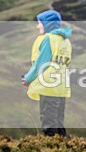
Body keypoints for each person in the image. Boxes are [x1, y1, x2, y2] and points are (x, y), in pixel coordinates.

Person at [22, 9, 72, 137]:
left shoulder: (48, 39)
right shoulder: (65, 41)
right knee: (59, 123)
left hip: (48, 87)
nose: (38, 26)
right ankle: (64, 150)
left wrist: (28, 78)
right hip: (61, 88)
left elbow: (41, 64)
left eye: (39, 23)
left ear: (47, 24)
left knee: (48, 123)